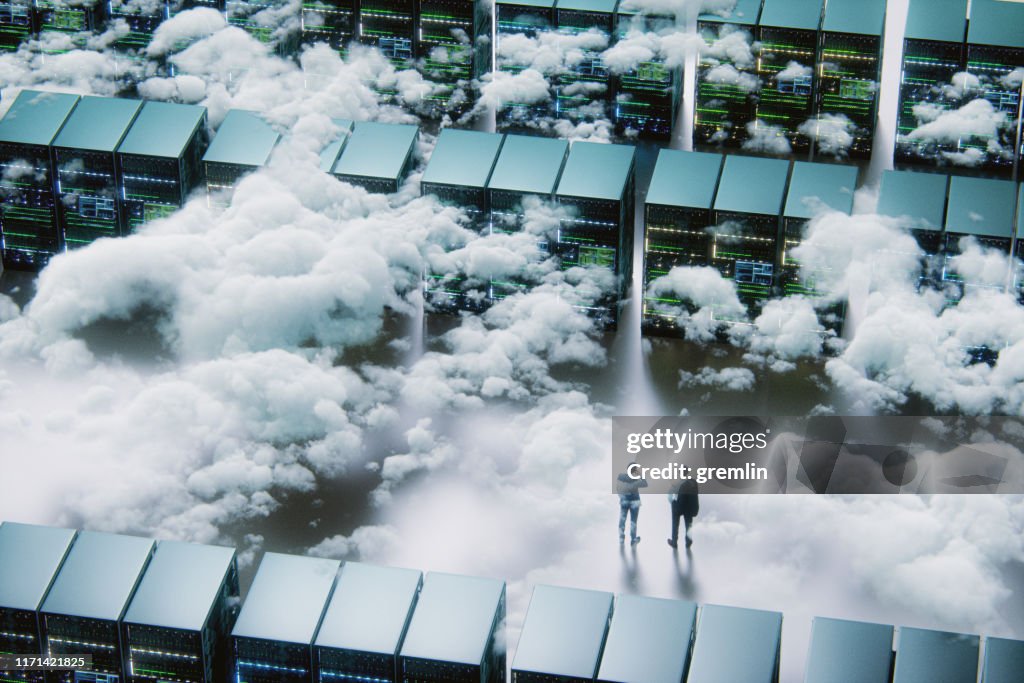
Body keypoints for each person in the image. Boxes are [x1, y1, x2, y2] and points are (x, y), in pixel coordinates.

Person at [617, 464, 647, 546]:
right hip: (635, 501)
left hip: (624, 500)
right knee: (633, 521)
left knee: (622, 519)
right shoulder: (637, 479)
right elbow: (645, 484)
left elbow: (618, 488)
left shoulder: (621, 476)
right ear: (635, 471)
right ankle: (633, 539)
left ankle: (621, 537)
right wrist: (641, 475)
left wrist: (622, 496)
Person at [668, 478, 699, 549]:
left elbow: (670, 496)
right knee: (688, 524)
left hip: (677, 506)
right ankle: (688, 542)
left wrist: (673, 502)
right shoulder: (692, 483)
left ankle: (674, 542)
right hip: (688, 507)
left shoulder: (676, 483)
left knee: (675, 524)